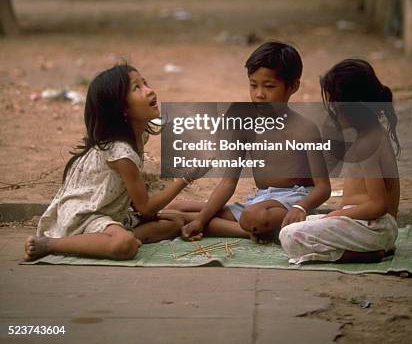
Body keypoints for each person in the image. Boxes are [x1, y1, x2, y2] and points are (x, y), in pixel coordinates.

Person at [24, 64, 193, 262]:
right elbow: (145, 207)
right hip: (84, 216)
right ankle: (49, 244)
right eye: (136, 88)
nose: (149, 90)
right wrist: (186, 178)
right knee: (125, 246)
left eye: (144, 83)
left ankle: (105, 241)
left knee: (175, 222)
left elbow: (138, 206)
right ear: (121, 109)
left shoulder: (140, 136)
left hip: (111, 213)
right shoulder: (120, 152)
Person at [168, 41, 331, 243]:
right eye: (253, 85)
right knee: (177, 208)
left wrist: (301, 207)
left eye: (269, 86)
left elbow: (323, 187)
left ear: (293, 86)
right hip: (259, 201)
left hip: (292, 203)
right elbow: (228, 182)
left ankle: (243, 229)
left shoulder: (305, 129)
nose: (259, 94)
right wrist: (201, 219)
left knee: (254, 217)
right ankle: (248, 230)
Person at [279, 59, 400, 264]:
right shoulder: (371, 133)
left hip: (375, 227)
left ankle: (367, 254)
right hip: (369, 224)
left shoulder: (367, 145)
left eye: (334, 104)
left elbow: (379, 205)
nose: (331, 111)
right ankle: (370, 247)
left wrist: (335, 214)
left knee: (289, 236)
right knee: (298, 223)